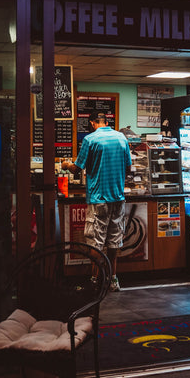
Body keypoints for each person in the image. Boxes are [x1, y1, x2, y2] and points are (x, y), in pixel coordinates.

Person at [62, 112, 132, 291]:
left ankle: (94, 281)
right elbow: (129, 167)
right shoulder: (121, 138)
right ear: (107, 122)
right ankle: (113, 280)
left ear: (92, 123)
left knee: (96, 241)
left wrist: (66, 165)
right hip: (118, 198)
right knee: (114, 241)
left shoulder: (90, 140)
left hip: (98, 198)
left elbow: (77, 169)